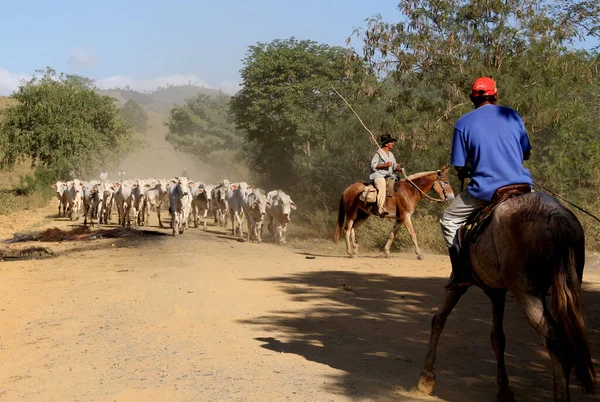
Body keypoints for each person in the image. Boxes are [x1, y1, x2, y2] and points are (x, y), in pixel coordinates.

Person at [440, 77, 533, 289]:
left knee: (448, 219)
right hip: (522, 186)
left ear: (472, 98)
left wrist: (470, 169)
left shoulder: (463, 123)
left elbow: (458, 166)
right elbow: (526, 152)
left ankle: (461, 272)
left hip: (486, 191)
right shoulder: (512, 115)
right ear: (496, 94)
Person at [369, 133, 404, 217]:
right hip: (378, 175)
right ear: (386, 144)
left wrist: (399, 168)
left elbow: (394, 165)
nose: (393, 144)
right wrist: (386, 164)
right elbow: (373, 165)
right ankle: (380, 209)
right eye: (391, 142)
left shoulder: (391, 154)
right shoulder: (378, 154)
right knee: (382, 186)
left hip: (389, 175)